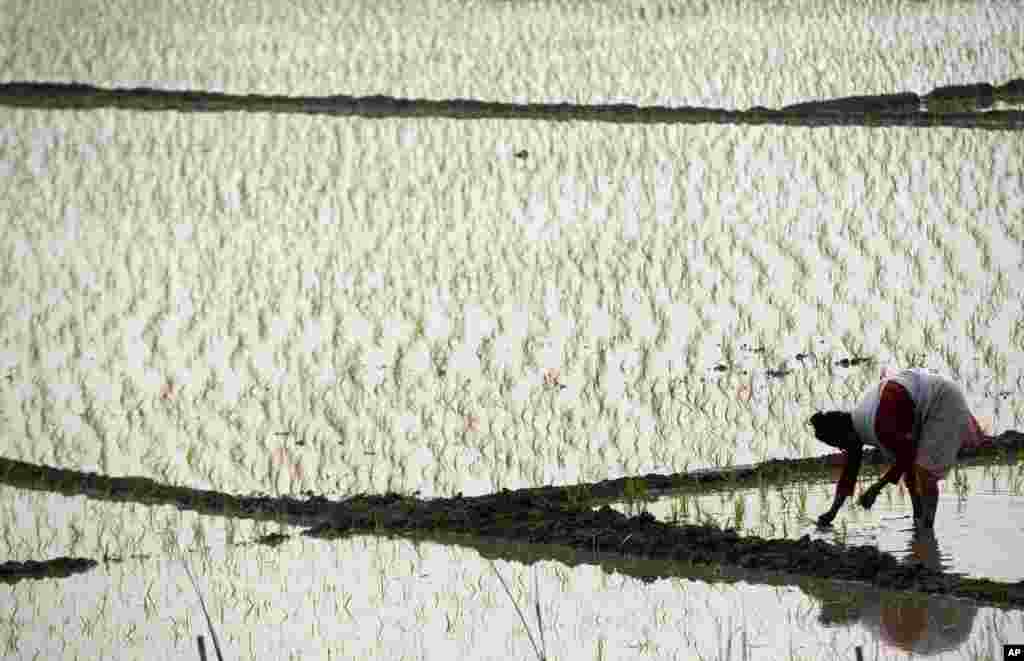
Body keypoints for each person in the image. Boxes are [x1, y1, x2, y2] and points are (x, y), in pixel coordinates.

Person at [809, 367, 990, 529]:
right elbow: (850, 474)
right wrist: (832, 513)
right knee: (914, 469)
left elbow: (907, 456)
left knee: (925, 472)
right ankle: (919, 519)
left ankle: (926, 533)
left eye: (841, 445)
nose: (844, 449)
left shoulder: (878, 425)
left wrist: (876, 488)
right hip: (923, 399)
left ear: (845, 435)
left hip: (941, 400)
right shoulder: (857, 424)